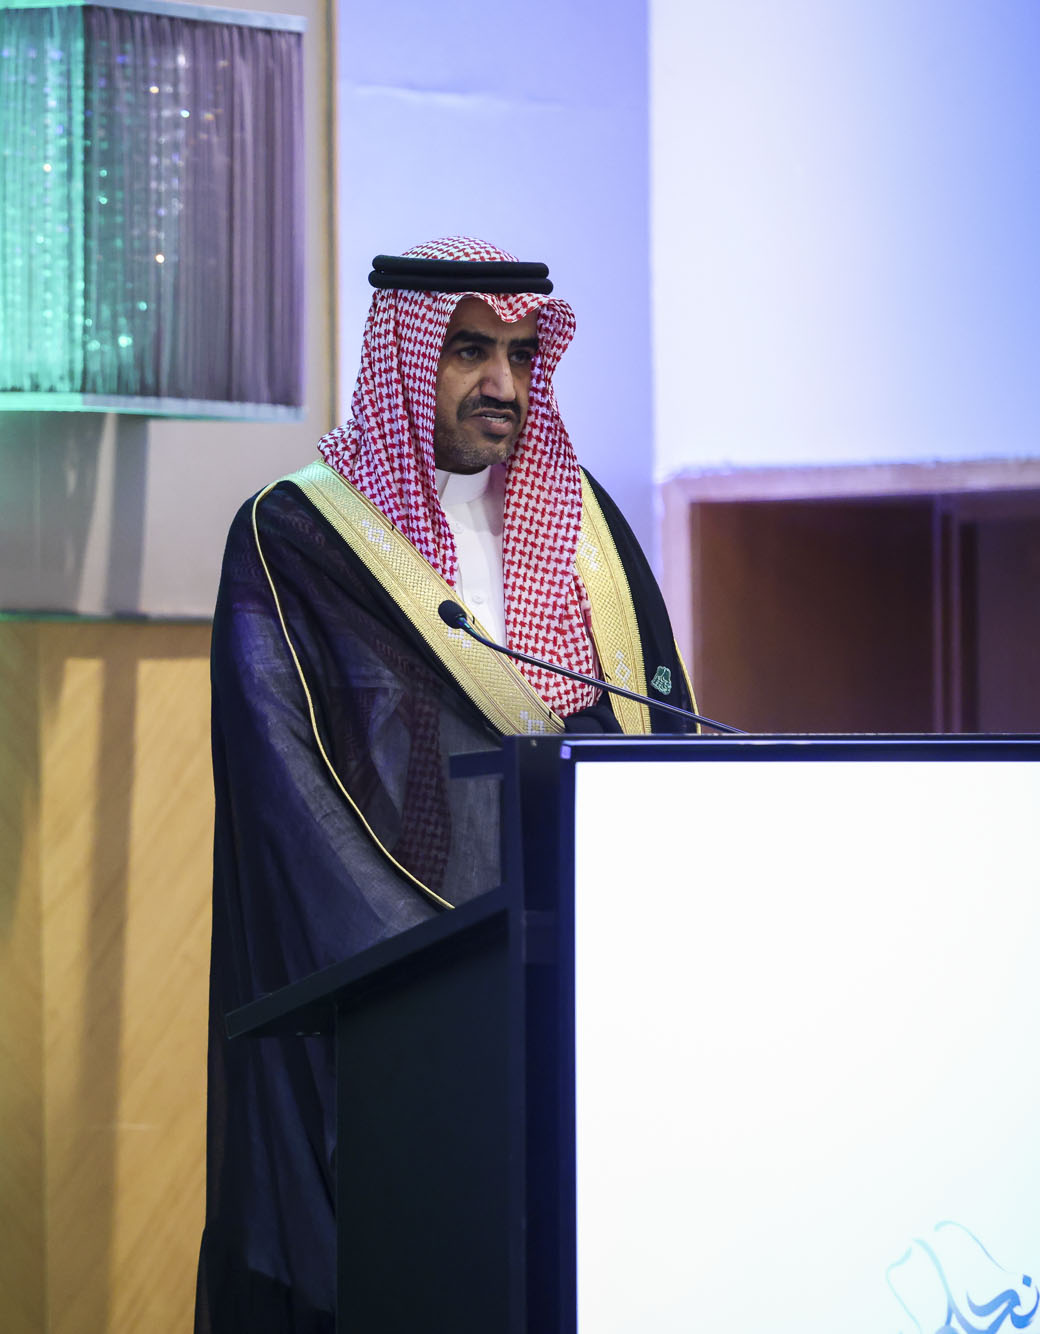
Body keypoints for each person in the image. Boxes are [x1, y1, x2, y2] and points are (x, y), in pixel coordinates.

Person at [196, 236, 695, 1333]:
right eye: (468, 350)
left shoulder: (590, 532)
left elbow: (655, 736)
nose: (500, 383)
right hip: (400, 1020)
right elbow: (287, 792)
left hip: (585, 1006)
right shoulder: (298, 537)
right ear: (405, 355)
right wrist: (445, 971)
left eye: (520, 354)